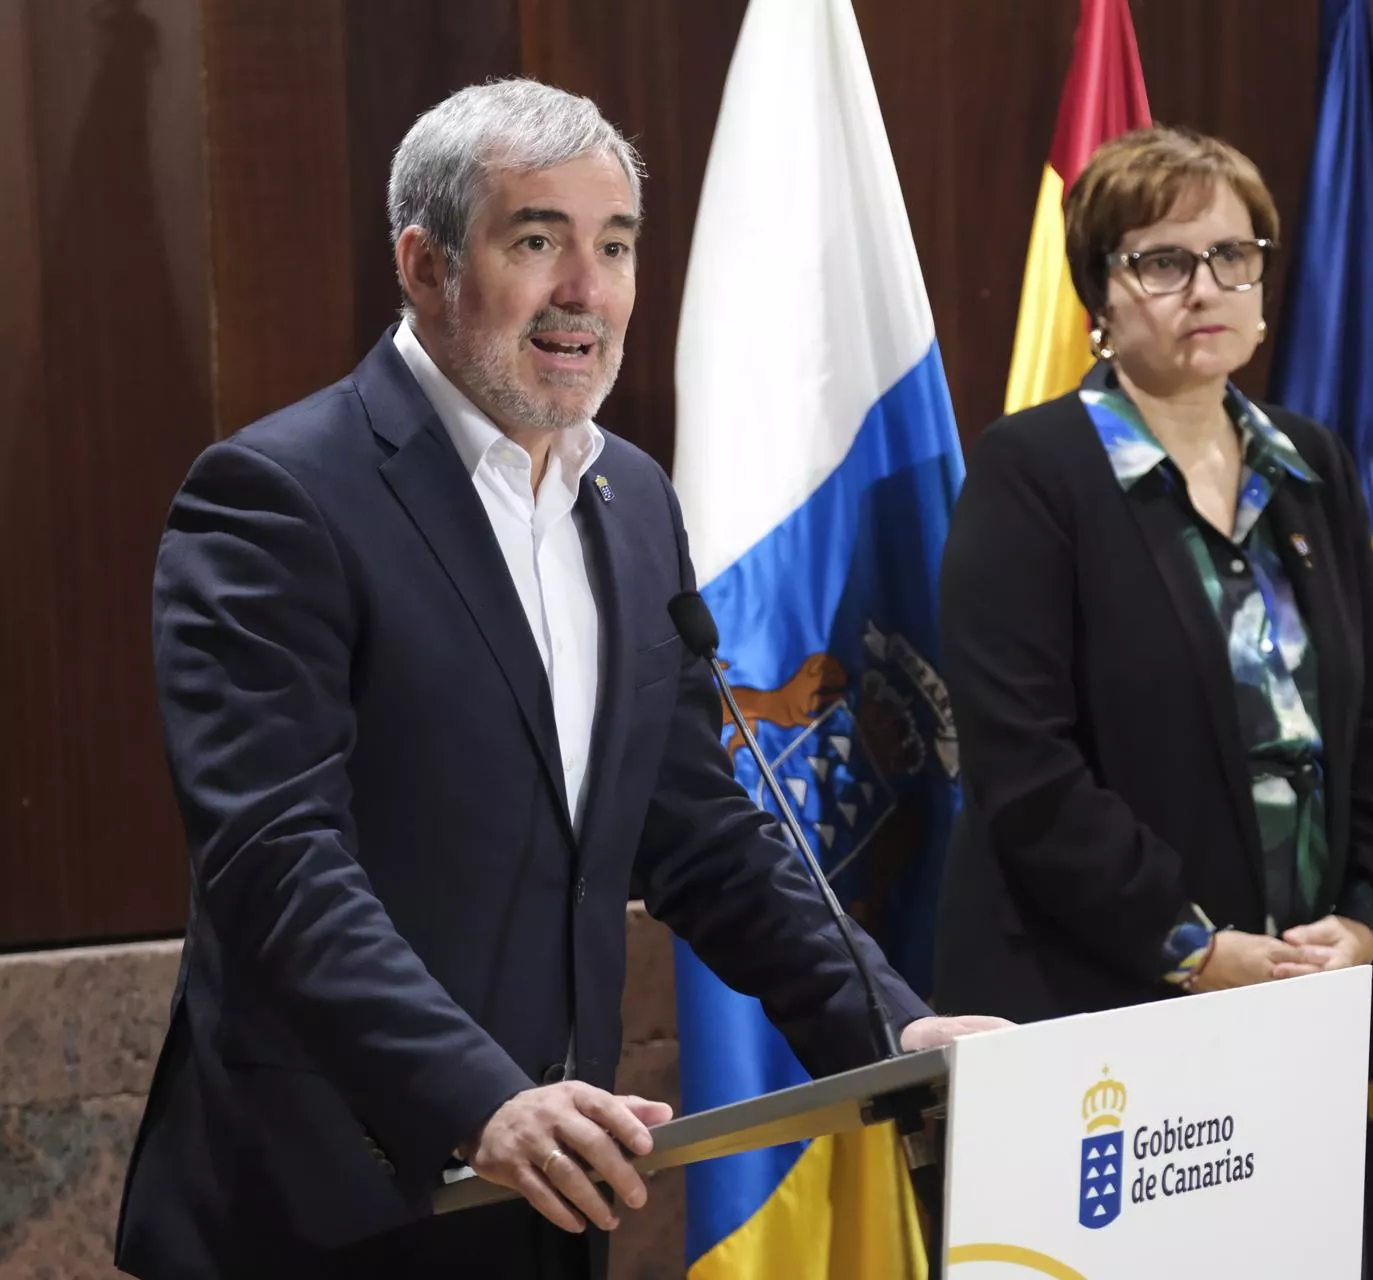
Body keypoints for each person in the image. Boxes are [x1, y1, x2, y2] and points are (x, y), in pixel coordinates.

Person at [114, 78, 1002, 1280]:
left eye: (617, 245)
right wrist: (481, 1099)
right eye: (538, 241)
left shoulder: (630, 499)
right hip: (322, 1199)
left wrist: (897, 1024)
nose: (587, 290)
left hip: (551, 1191)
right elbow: (275, 861)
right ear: (426, 264)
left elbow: (702, 831)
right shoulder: (278, 498)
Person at [933, 125, 1373, 1023]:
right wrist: (1189, 947)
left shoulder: (1312, 463)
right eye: (1162, 262)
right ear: (1100, 298)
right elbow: (1026, 770)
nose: (1204, 288)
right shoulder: (1033, 471)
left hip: (1301, 993)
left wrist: (1364, 918)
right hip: (1093, 999)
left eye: (1232, 255)